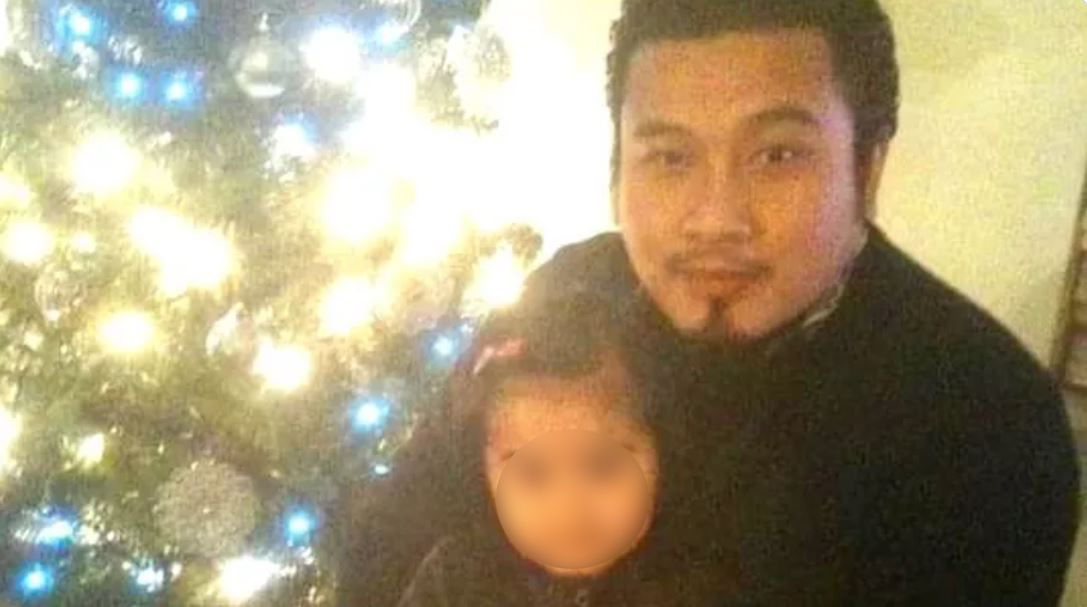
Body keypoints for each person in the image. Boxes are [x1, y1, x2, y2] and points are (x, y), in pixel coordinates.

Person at [336, 0, 1082, 605]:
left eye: (777, 155)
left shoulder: (982, 424)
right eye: (669, 157)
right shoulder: (569, 297)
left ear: (868, 168)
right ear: (616, 173)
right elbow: (392, 537)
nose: (716, 218)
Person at [395, 291, 720, 607]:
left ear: (662, 449)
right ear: (483, 472)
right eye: (532, 473)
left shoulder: (693, 582)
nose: (568, 506)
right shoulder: (455, 580)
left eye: (602, 466)